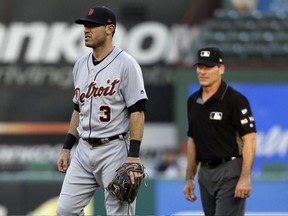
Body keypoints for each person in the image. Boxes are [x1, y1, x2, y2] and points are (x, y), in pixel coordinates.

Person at [56, 6, 148, 216]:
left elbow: (138, 111)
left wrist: (133, 156)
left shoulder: (127, 64)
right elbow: (78, 108)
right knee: (65, 211)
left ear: (110, 29)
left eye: (92, 25)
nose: (86, 30)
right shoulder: (80, 65)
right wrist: (67, 147)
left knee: (118, 213)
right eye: (85, 26)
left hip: (113, 149)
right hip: (83, 149)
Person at [183, 47, 257, 216]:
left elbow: (250, 139)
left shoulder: (235, 100)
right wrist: (189, 178)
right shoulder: (192, 101)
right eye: (200, 67)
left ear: (221, 69)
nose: (202, 71)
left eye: (208, 67)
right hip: (205, 173)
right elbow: (193, 140)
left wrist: (245, 178)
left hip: (230, 170)